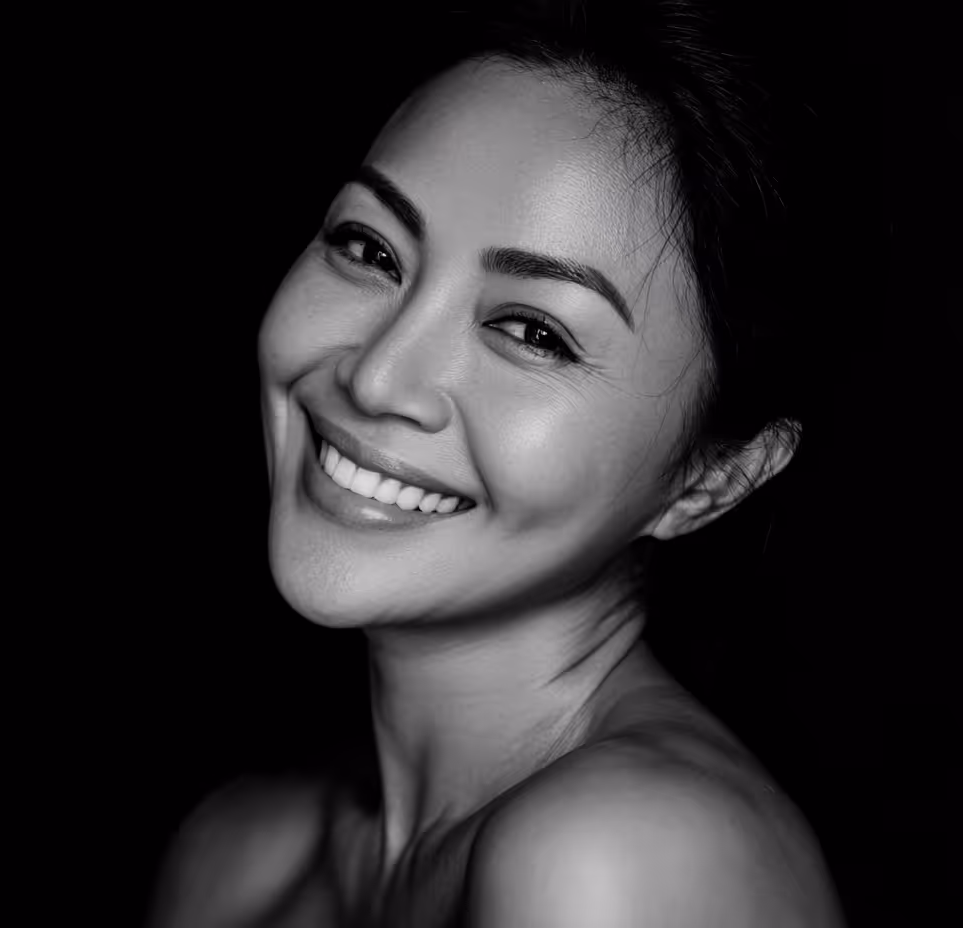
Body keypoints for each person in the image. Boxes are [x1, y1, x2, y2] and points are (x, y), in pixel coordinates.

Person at [149, 1, 847, 924]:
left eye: (532, 332)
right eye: (370, 249)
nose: (378, 375)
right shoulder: (235, 855)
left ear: (715, 477)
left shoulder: (624, 857)